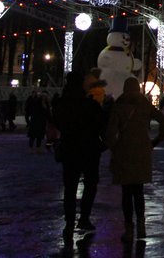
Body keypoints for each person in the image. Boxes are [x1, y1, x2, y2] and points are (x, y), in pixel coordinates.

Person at [105, 76, 164, 243]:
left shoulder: (119, 106)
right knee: (139, 191)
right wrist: (156, 140)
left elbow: (111, 133)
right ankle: (142, 227)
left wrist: (113, 147)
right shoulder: (145, 105)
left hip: (124, 151)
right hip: (142, 151)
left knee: (127, 192)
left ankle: (129, 228)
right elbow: (163, 120)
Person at [53, 71, 107, 244]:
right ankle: (84, 217)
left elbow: (58, 122)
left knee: (70, 186)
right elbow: (101, 125)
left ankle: (69, 221)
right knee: (90, 183)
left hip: (70, 149)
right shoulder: (90, 105)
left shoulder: (62, 104)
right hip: (89, 150)